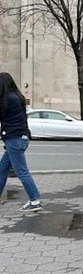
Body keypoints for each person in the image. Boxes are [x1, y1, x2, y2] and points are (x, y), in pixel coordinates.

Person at [0, 72, 42, 212]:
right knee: (2, 170)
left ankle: (35, 200)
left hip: (15, 140)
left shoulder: (8, 99)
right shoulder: (18, 97)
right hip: (19, 138)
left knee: (22, 172)